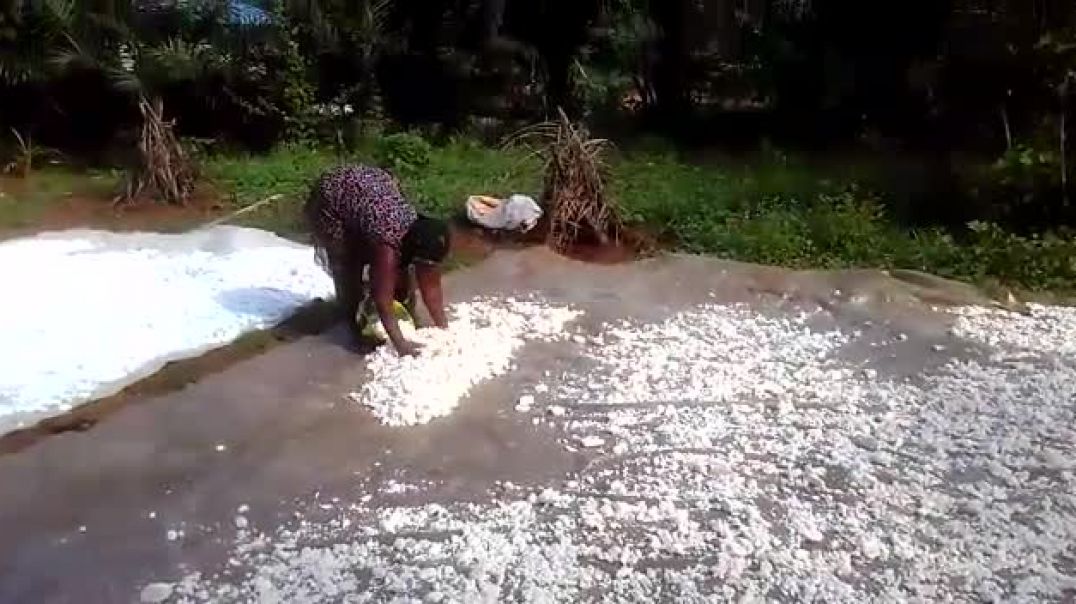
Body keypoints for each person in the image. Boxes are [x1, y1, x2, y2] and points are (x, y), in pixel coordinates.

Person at [305, 164, 450, 357]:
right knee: (348, 263)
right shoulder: (388, 244)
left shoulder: (425, 234)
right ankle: (353, 320)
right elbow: (382, 297)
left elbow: (430, 286)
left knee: (394, 274)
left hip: (371, 187)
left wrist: (444, 329)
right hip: (335, 194)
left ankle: (397, 311)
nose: (426, 269)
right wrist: (401, 345)